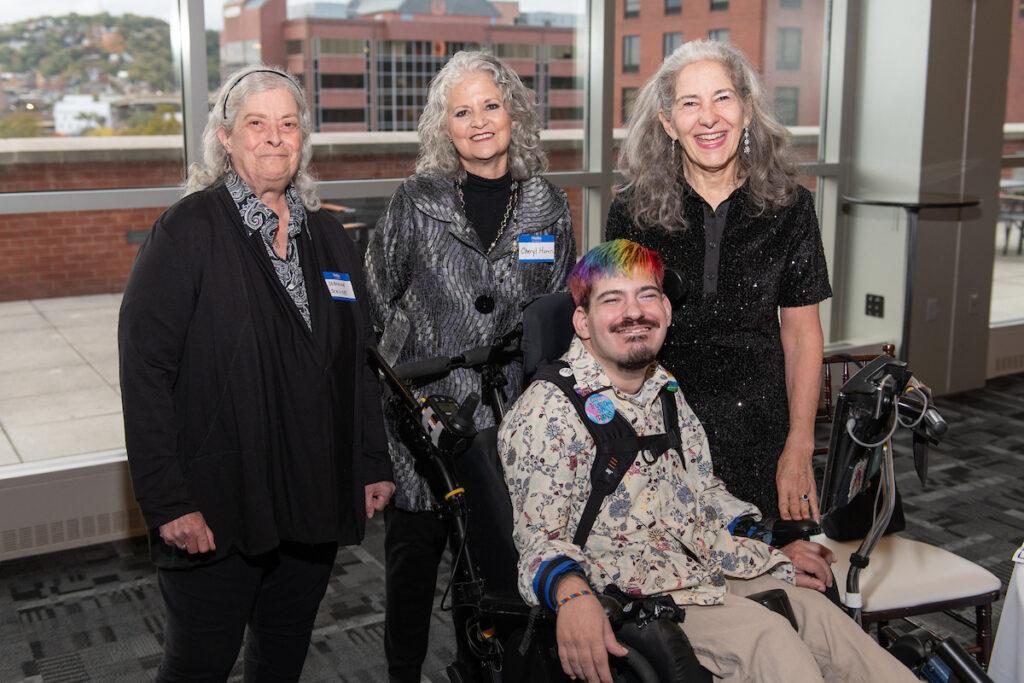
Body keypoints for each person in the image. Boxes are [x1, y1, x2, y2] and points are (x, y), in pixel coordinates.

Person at [498, 239, 917, 683]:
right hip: (634, 591)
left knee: (823, 620)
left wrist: (765, 541)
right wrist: (571, 594)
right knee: (770, 640)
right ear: (583, 321)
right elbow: (538, 541)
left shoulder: (664, 389)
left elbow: (702, 489)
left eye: (647, 295)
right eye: (613, 300)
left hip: (703, 560)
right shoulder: (548, 411)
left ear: (666, 310)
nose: (634, 312)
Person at [118, 65, 394, 681]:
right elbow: (145, 373)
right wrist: (167, 500)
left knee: (283, 655)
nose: (274, 137)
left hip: (312, 493)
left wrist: (371, 460)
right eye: (256, 123)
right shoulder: (187, 231)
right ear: (225, 137)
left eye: (288, 124)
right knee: (199, 664)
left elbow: (358, 360)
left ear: (303, 139)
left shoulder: (330, 237)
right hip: (219, 502)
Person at [365, 50, 576, 682]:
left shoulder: (547, 205)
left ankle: (477, 671)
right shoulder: (416, 201)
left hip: (507, 423)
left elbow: (559, 318)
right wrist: (394, 400)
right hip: (423, 425)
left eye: (490, 105)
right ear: (444, 126)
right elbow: (374, 303)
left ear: (514, 114)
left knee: (488, 572)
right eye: (462, 112)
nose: (479, 121)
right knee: (412, 566)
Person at [605, 39, 831, 522]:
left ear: (746, 109)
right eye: (690, 103)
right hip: (658, 433)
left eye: (722, 98)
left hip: (761, 431)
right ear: (668, 122)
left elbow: (802, 334)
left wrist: (799, 445)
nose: (709, 118)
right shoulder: (632, 210)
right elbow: (614, 334)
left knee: (775, 563)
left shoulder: (791, 207)